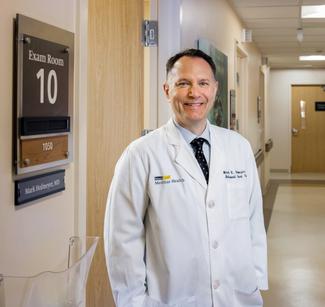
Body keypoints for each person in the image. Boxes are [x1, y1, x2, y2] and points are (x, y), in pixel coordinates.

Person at [104, 48, 268, 307]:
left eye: (203, 83)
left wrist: (256, 282)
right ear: (167, 90)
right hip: (171, 299)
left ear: (214, 88)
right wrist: (135, 302)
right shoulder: (140, 155)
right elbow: (122, 240)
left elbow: (253, 222)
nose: (195, 93)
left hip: (238, 296)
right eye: (183, 83)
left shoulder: (239, 147)